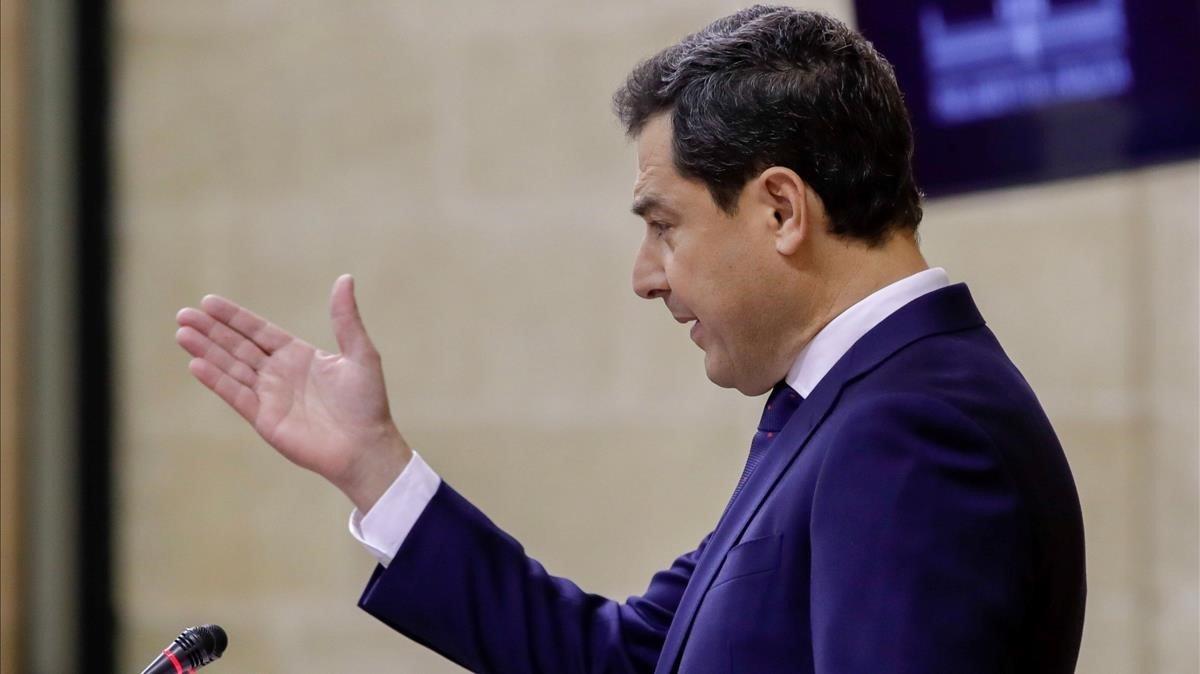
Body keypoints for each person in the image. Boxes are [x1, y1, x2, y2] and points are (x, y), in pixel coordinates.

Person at [174, 6, 1086, 673]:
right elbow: (625, 661)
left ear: (779, 208)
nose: (645, 275)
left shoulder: (912, 430)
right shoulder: (851, 408)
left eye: (664, 225)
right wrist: (375, 466)